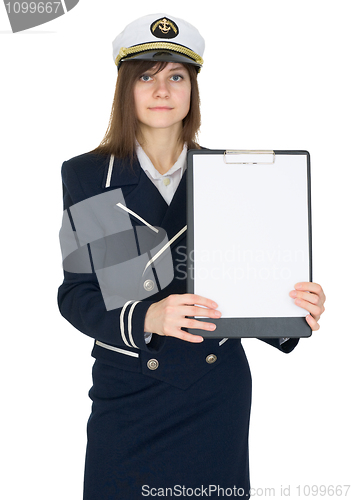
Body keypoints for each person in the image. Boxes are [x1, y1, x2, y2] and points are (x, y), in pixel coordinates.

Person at [57, 13, 326, 499]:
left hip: (212, 392)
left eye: (176, 76)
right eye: (147, 76)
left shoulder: (235, 176)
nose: (162, 90)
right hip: (128, 392)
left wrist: (291, 306)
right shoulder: (88, 176)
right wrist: (148, 316)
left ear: (192, 90)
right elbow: (77, 295)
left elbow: (242, 285)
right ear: (125, 88)